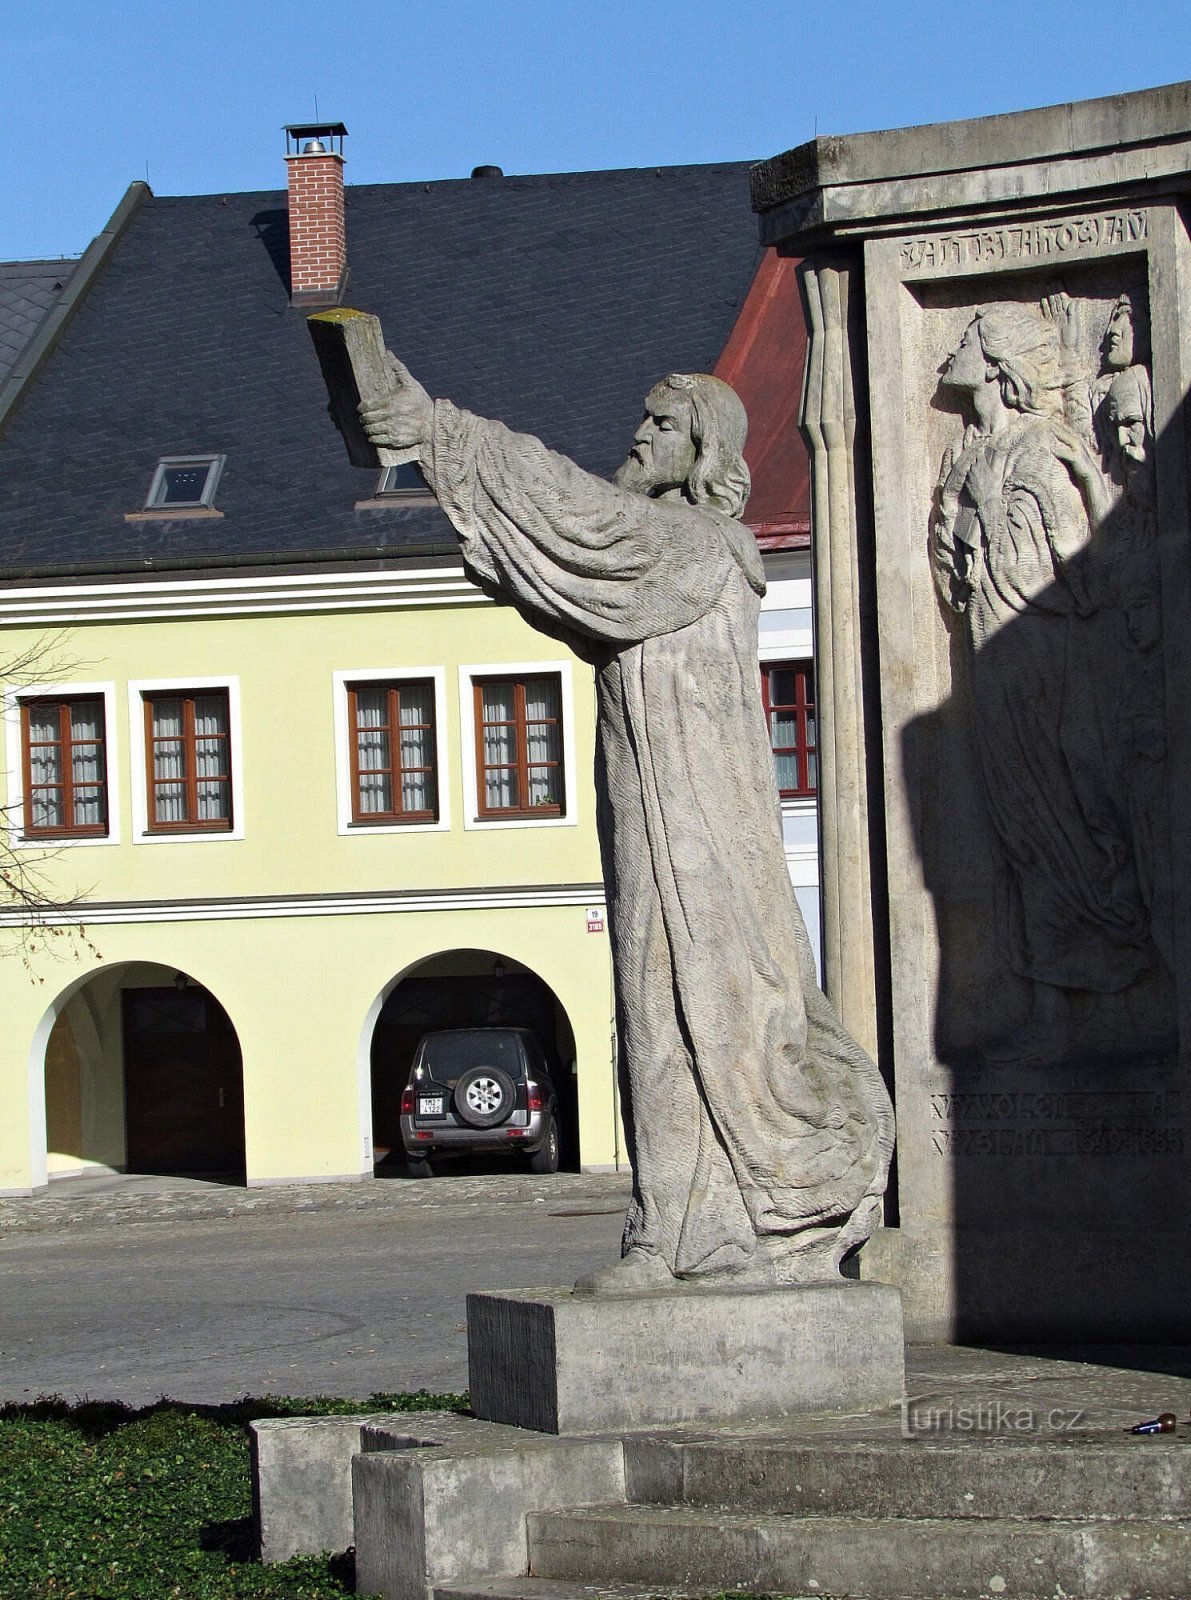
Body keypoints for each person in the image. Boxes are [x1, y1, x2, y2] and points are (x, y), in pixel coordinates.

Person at [359, 354, 893, 1290]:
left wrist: (437, 429)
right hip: (666, 814)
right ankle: (682, 1229)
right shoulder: (668, 556)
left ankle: (703, 1232)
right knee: (660, 1008)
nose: (638, 437)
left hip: (694, 827)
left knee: (686, 1007)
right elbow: (562, 576)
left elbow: (575, 518)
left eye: (658, 426)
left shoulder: (685, 548)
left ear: (699, 451)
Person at [930, 304, 1154, 1063]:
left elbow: (1079, 564)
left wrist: (994, 532)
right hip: (993, 659)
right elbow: (951, 565)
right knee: (1021, 830)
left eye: (965, 338)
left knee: (1067, 822)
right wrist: (968, 542)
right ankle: (1052, 1011)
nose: (950, 348)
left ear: (996, 365)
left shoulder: (1034, 453)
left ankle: (1107, 1009)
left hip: (1045, 660)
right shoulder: (966, 454)